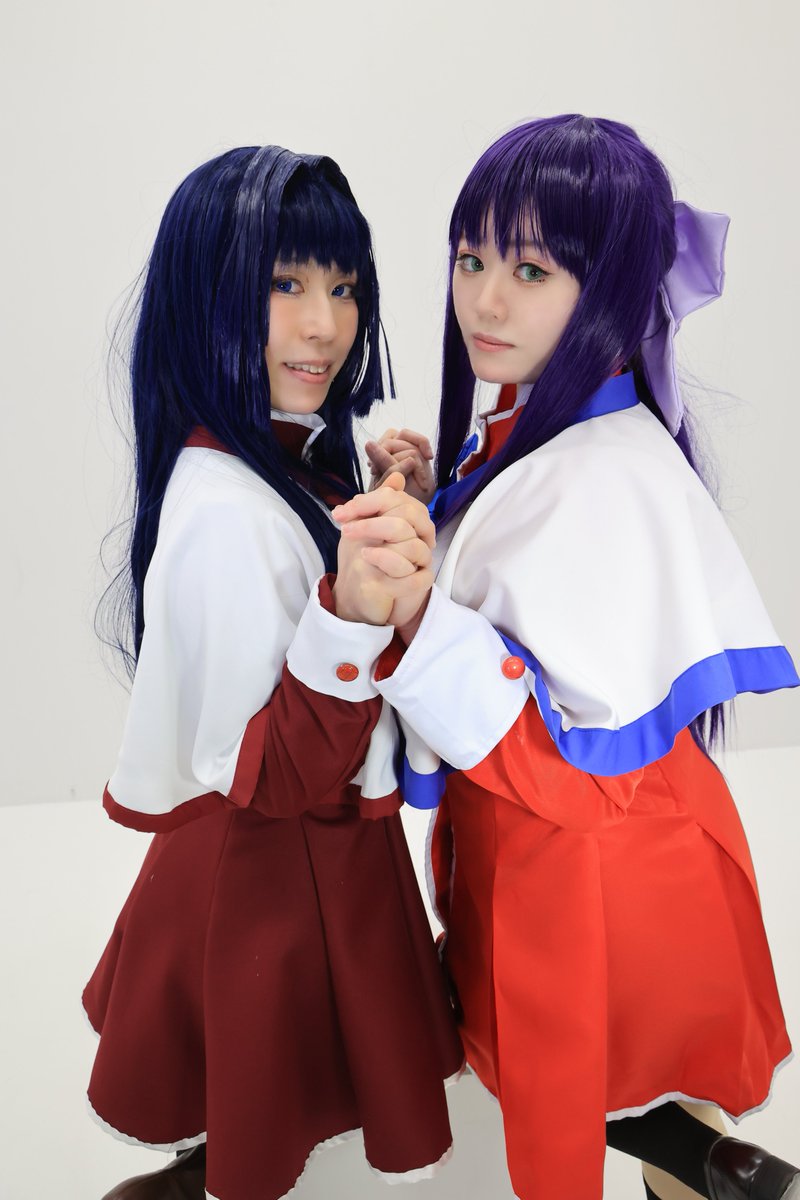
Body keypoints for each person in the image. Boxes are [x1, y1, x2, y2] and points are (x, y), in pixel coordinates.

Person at [334, 115, 800, 1200]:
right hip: (587, 847)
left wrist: (417, 606)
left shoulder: (603, 476)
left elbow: (561, 759)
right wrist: (432, 504)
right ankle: (705, 1163)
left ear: (609, 291)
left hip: (585, 862)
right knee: (623, 1072)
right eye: (471, 259)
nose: (485, 302)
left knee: (577, 1086)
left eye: (531, 270)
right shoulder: (559, 429)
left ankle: (702, 1166)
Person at [83, 144, 462, 1200]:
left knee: (261, 1079)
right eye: (284, 284)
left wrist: (378, 503)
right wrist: (354, 606)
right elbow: (281, 770)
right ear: (208, 292)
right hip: (277, 865)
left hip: (290, 856)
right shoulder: (225, 510)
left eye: (343, 287)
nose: (325, 326)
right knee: (262, 1078)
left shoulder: (268, 463)